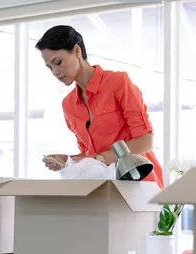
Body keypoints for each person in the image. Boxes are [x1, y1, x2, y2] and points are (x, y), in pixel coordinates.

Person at [36, 25, 164, 189]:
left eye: (58, 62)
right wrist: (69, 161)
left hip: (140, 184)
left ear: (76, 51)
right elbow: (89, 155)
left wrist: (100, 159)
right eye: (50, 67)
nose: (55, 71)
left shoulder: (118, 83)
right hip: (102, 190)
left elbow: (145, 142)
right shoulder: (68, 105)